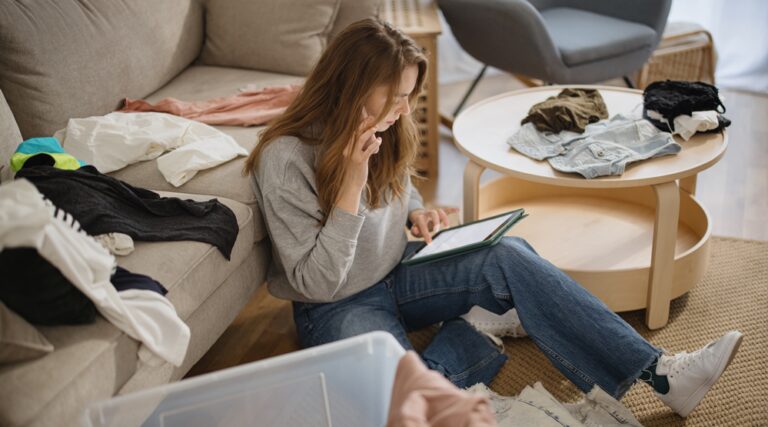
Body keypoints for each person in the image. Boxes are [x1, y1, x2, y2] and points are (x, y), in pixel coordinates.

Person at [245, 18, 742, 418]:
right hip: (332, 304)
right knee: (411, 405)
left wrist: (419, 214)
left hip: (399, 269)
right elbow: (318, 280)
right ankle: (474, 334)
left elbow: (403, 187)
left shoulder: (383, 126)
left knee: (508, 252)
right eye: (394, 95)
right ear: (349, 88)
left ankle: (662, 376)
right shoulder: (285, 159)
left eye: (408, 96)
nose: (403, 109)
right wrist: (352, 186)